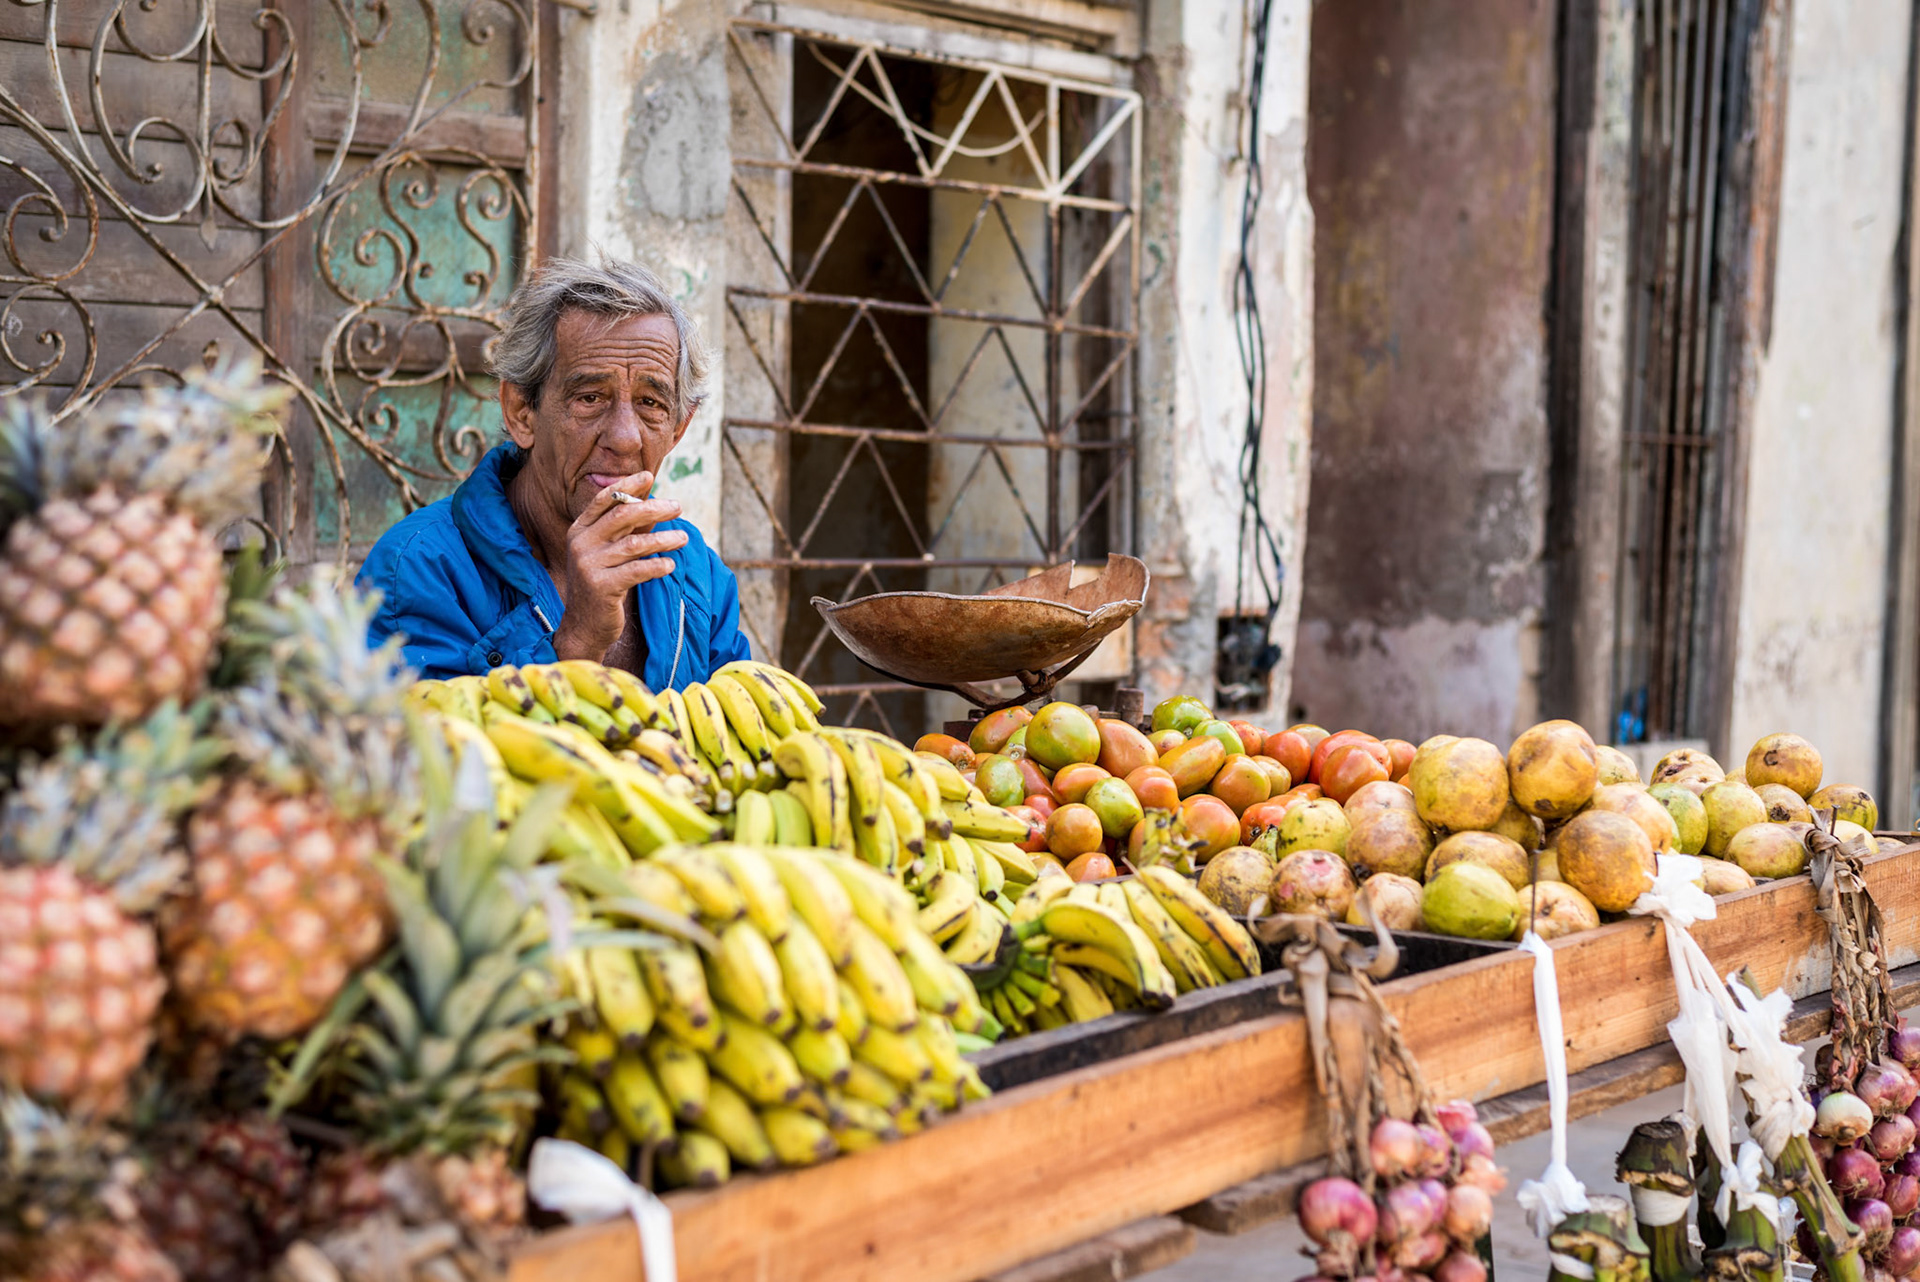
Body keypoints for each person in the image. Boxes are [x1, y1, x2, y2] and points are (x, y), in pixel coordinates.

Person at [357, 256, 752, 688]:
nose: (624, 438)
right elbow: (425, 749)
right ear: (521, 412)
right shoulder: (417, 570)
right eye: (589, 398)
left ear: (678, 429)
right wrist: (578, 639)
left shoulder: (695, 571)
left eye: (651, 404)